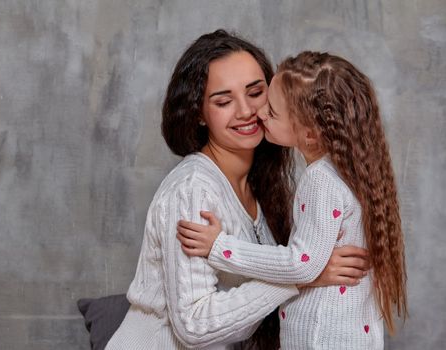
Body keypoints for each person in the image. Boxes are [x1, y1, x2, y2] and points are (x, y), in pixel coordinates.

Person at [106, 31, 368, 350]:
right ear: (199, 113)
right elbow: (195, 325)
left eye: (256, 93)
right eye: (223, 101)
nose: (247, 111)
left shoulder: (265, 183)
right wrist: (302, 276)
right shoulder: (193, 190)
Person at [177, 51, 407, 349]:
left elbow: (301, 265)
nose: (260, 114)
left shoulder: (320, 180)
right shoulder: (352, 171)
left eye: (272, 112)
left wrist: (220, 247)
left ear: (309, 134)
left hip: (319, 338)